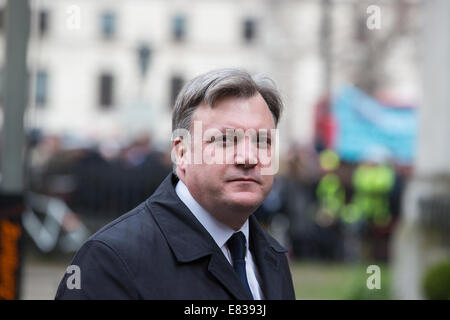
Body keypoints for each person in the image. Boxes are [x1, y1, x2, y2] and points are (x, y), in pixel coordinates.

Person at [55, 68, 296, 300]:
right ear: (181, 153)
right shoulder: (111, 260)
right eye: (225, 140)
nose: (248, 157)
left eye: (262, 141)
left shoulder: (271, 257)